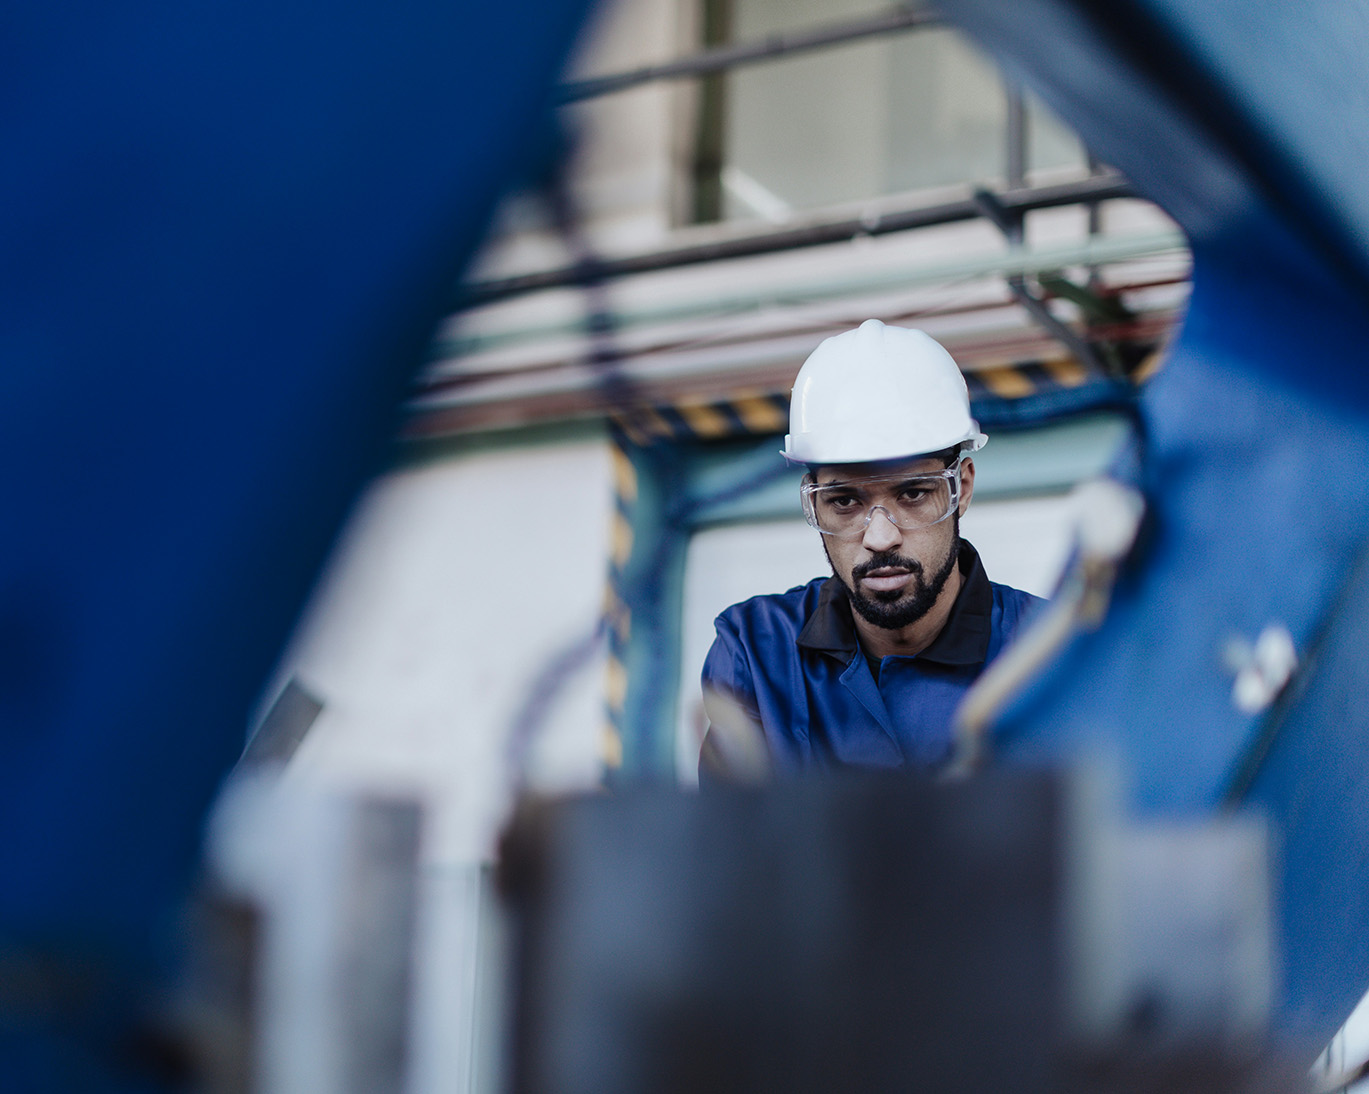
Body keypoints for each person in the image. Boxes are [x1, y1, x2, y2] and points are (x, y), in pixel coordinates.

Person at [700, 319, 1044, 777]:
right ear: (815, 505)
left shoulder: (1052, 651)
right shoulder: (759, 657)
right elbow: (729, 845)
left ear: (960, 488)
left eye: (913, 494)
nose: (880, 537)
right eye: (845, 501)